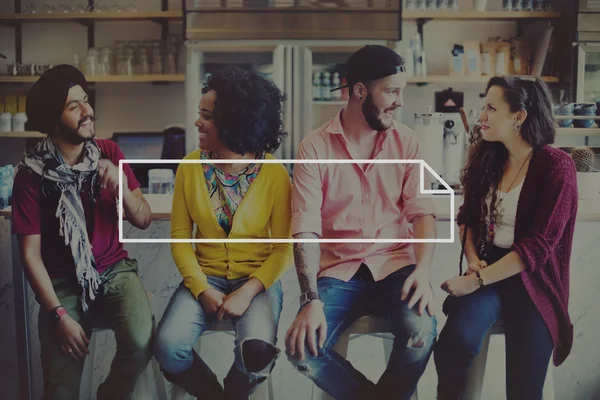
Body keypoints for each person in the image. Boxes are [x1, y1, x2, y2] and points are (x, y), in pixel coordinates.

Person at [285, 45, 438, 400]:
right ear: (359, 91)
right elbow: (305, 228)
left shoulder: (406, 141)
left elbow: (421, 211)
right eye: (392, 91)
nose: (400, 102)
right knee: (302, 350)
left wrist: (424, 271)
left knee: (422, 334)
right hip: (338, 272)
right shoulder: (313, 148)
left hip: (396, 266)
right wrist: (310, 299)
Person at [11, 64, 154, 400]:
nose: (88, 111)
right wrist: (58, 314)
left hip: (115, 270)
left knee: (142, 340)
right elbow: (30, 255)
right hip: (62, 283)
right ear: (53, 117)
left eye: (86, 101)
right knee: (60, 391)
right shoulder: (31, 174)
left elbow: (144, 218)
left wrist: (122, 188)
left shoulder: (110, 153)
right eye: (74, 106)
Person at [153, 67, 293, 399]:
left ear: (234, 122)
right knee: (168, 348)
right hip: (206, 277)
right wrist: (201, 289)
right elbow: (180, 238)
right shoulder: (189, 167)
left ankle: (233, 392)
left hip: (256, 281)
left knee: (257, 353)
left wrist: (247, 292)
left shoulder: (274, 174)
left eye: (206, 116)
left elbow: (283, 247)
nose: (197, 123)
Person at [434, 76, 577, 399]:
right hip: (490, 269)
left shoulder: (557, 167)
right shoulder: (487, 157)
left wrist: (476, 280)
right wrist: (472, 261)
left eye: (491, 108)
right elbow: (468, 218)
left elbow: (538, 248)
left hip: (535, 282)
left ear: (519, 117)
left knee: (524, 387)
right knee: (455, 343)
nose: (481, 115)